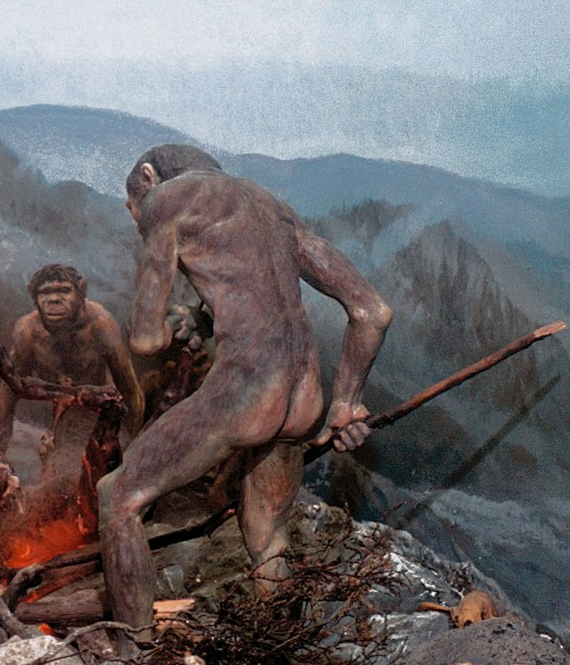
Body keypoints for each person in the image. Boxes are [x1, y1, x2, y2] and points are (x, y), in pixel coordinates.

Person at [97, 145, 391, 632]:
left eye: (134, 212)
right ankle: (283, 645)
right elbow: (371, 312)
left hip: (246, 391)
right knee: (266, 535)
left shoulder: (166, 198)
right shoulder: (269, 205)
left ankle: (134, 648)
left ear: (147, 178)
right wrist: (347, 403)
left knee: (118, 497)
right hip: (304, 396)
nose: (138, 223)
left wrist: (168, 324)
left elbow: (145, 339)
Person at [0, 263, 144, 474]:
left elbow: (131, 391)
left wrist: (131, 447)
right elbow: (6, 398)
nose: (53, 300)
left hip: (98, 411)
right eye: (45, 293)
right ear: (34, 297)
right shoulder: (29, 331)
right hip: (56, 415)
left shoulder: (100, 324)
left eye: (63, 290)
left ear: (81, 291)